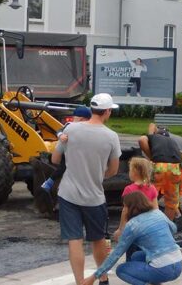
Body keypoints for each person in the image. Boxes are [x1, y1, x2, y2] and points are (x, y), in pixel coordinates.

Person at [52, 93, 121, 285]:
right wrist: (98, 174)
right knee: (97, 239)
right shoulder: (111, 137)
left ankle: (80, 281)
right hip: (94, 197)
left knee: (74, 240)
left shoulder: (71, 129)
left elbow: (55, 159)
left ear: (91, 110)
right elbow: (114, 169)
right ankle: (103, 279)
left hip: (68, 194)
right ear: (107, 112)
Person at [82, 192, 182, 285]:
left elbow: (115, 255)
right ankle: (155, 280)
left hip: (162, 269)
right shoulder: (158, 213)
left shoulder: (133, 225)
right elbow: (173, 229)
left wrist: (94, 276)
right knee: (136, 256)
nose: (124, 209)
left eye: (125, 207)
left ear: (129, 208)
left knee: (121, 270)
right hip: (178, 264)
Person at [40, 106, 92, 192]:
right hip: (66, 153)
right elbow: (59, 131)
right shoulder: (69, 125)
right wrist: (61, 135)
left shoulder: (84, 128)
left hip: (75, 153)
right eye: (87, 120)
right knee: (63, 168)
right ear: (82, 120)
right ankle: (49, 182)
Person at [138, 123, 182, 222]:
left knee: (148, 197)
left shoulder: (154, 137)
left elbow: (142, 139)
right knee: (171, 203)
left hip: (159, 166)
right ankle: (166, 229)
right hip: (176, 168)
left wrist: (151, 157)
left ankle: (149, 225)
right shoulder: (172, 141)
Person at [113, 158, 158, 243]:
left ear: (134, 172)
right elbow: (156, 209)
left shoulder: (129, 189)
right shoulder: (152, 188)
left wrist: (120, 229)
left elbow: (125, 210)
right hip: (148, 226)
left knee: (132, 250)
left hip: (134, 226)